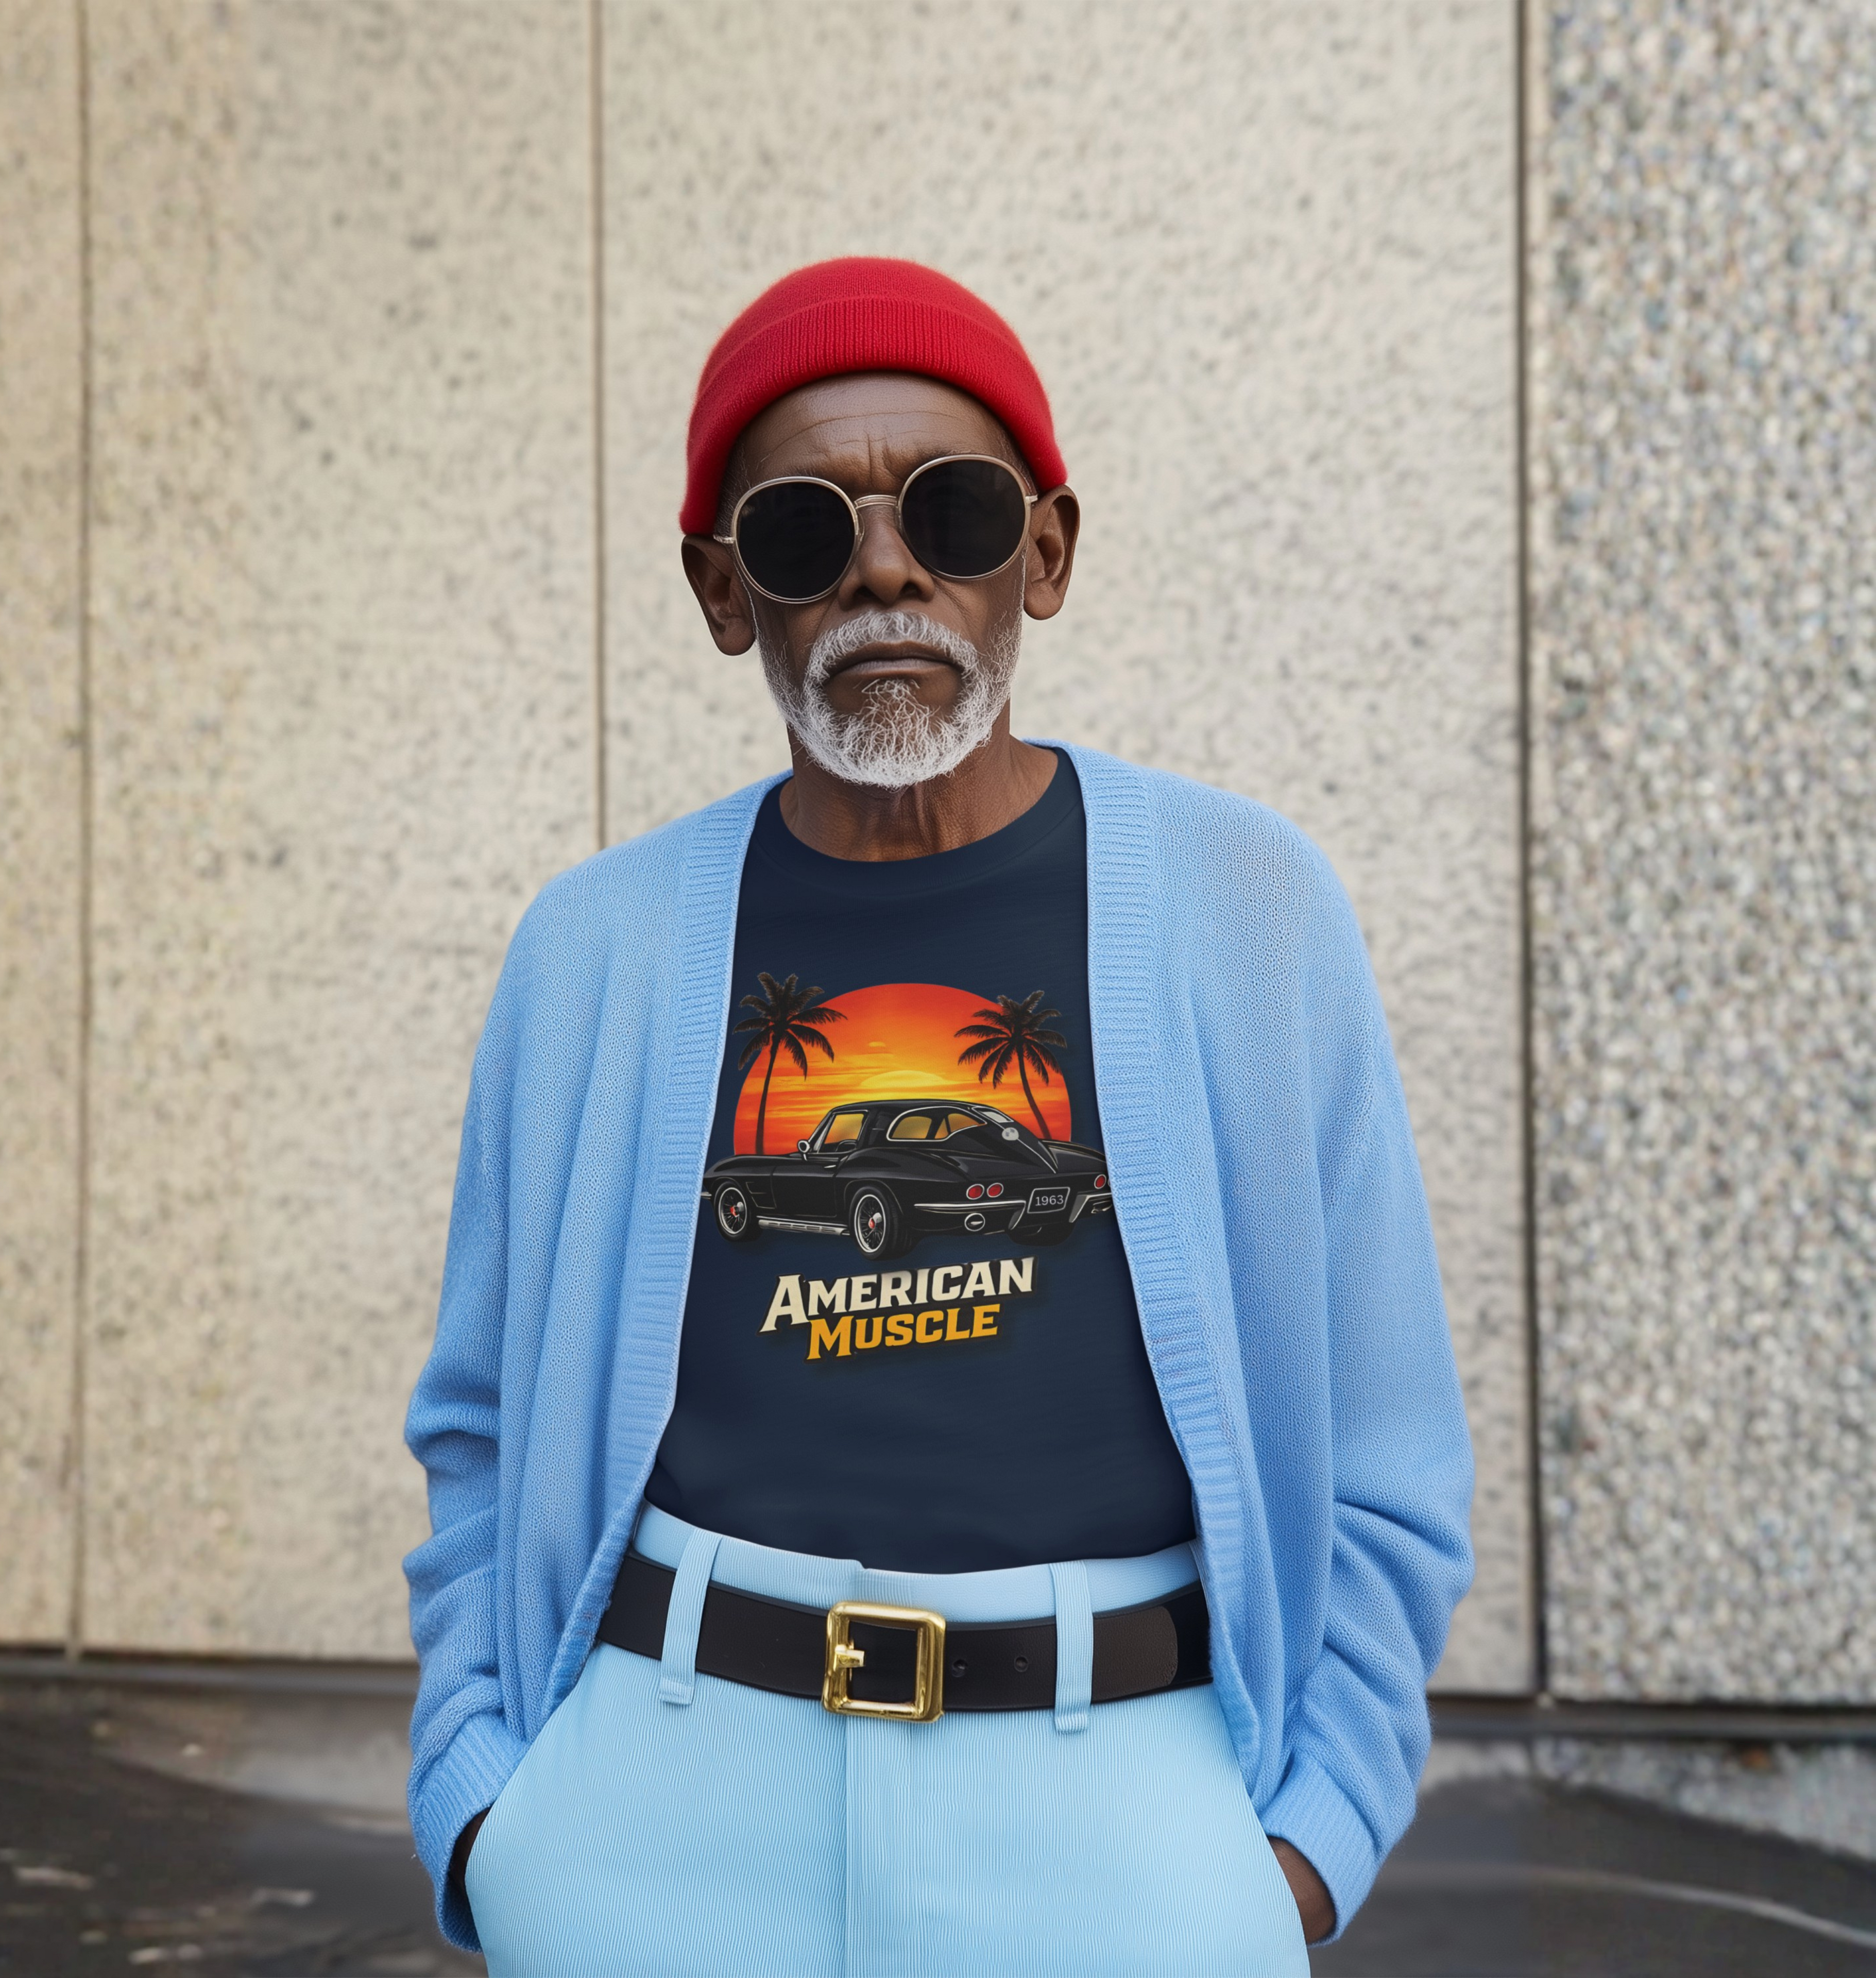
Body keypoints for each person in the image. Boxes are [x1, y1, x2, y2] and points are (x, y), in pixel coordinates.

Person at [404, 257, 1474, 1975]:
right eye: (805, 532)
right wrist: (489, 1808)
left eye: (954, 512)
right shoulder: (594, 947)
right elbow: (479, 1421)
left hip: (1124, 1818)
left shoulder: (1248, 906)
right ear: (721, 590)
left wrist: (1300, 1851)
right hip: (655, 1819)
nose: (887, 570)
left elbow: (1388, 1452)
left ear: (1042, 555)